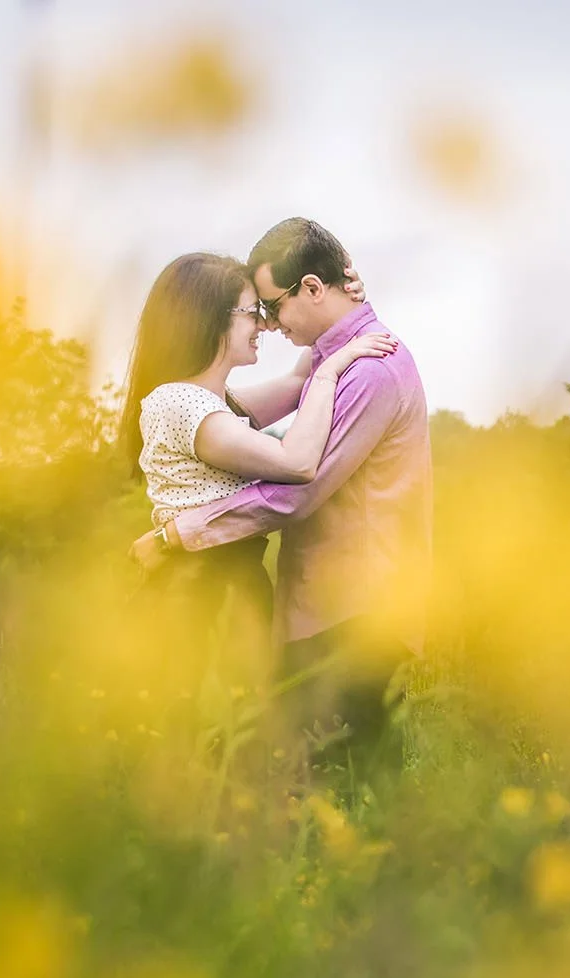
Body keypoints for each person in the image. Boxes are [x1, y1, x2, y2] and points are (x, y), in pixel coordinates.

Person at [131, 219, 432, 778]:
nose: (267, 324)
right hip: (319, 607)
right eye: (256, 311)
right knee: (275, 765)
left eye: (272, 307)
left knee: (329, 778)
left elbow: (299, 489)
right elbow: (283, 392)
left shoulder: (367, 371)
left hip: (356, 612)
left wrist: (176, 534)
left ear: (313, 289)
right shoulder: (326, 362)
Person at [116, 251, 394, 675]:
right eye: (252, 313)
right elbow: (297, 461)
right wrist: (331, 371)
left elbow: (296, 380)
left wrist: (341, 306)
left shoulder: (211, 404)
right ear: (208, 318)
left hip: (218, 581)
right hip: (199, 591)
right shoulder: (182, 403)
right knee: (207, 732)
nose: (265, 325)